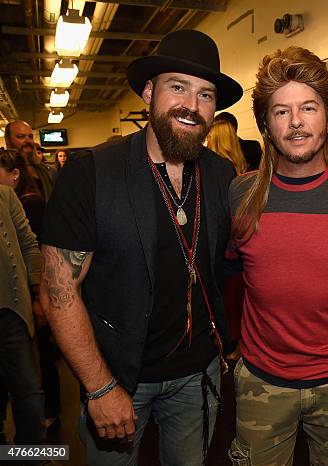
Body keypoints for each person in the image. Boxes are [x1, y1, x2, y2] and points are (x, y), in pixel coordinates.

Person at [39, 29, 242, 465]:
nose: (192, 105)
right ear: (149, 92)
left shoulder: (221, 175)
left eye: (206, 95)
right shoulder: (92, 172)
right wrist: (99, 387)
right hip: (117, 376)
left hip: (196, 375)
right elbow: (59, 293)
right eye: (177, 87)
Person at [227, 46, 328, 465]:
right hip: (261, 382)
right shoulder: (240, 194)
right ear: (266, 127)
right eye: (281, 111)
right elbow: (230, 275)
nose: (296, 123)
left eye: (308, 108)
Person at [0, 179, 46, 448]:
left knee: (28, 393)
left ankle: (32, 454)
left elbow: (30, 245)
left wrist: (38, 293)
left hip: (11, 313)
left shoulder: (5, 196)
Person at [4, 121, 54, 201]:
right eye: (20, 136)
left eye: (30, 137)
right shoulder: (4, 170)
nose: (28, 141)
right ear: (8, 140)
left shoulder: (43, 170)